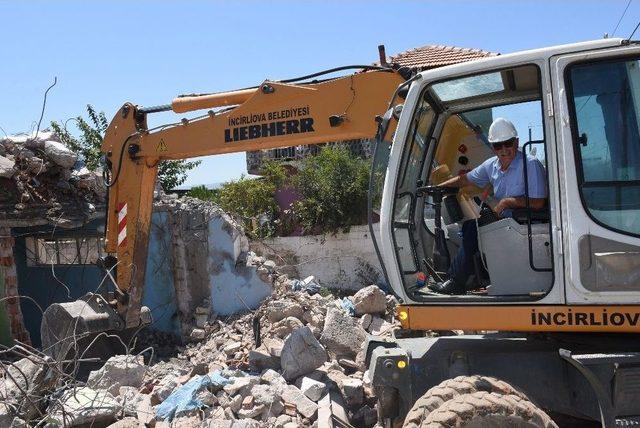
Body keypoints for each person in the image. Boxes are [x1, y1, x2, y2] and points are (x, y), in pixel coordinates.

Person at [429, 117, 548, 295]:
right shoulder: (491, 166)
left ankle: (456, 281)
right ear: (493, 147)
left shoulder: (530, 165)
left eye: (508, 143)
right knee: (473, 226)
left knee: (472, 229)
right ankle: (469, 278)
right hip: (506, 223)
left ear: (516, 142)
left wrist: (508, 202)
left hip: (527, 223)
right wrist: (436, 189)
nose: (504, 150)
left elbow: (539, 202)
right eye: (498, 146)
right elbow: (464, 179)